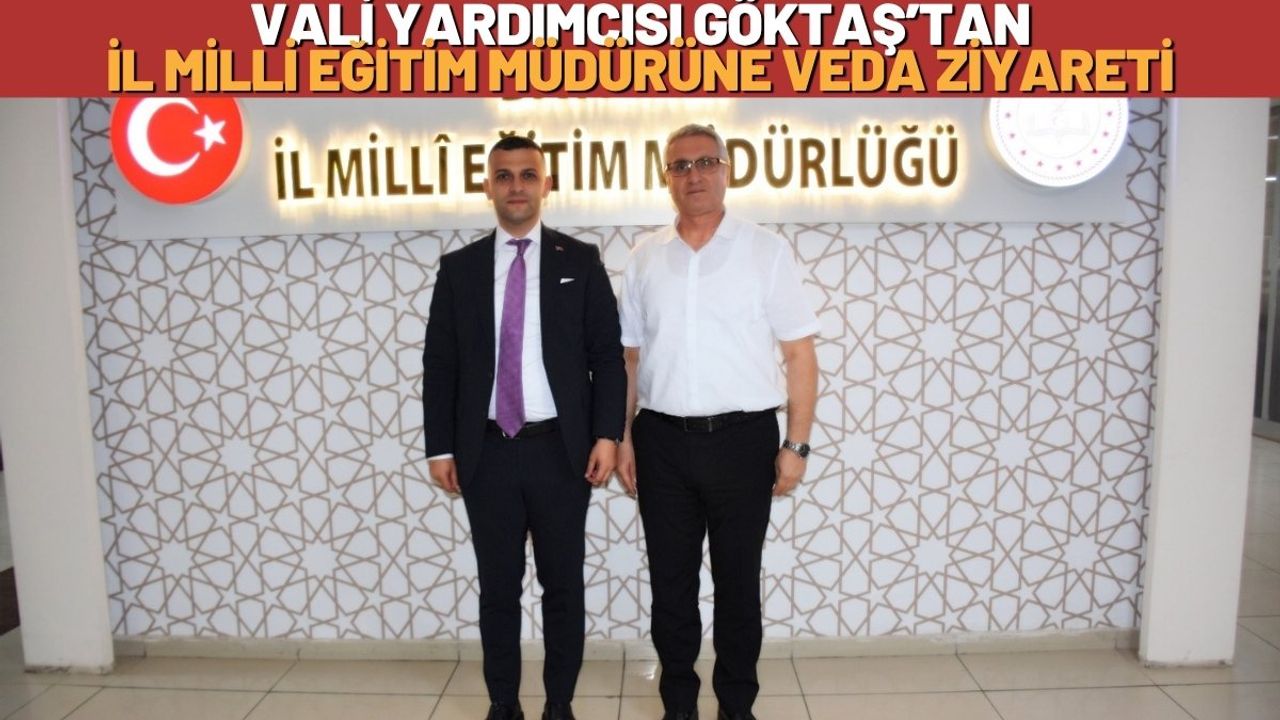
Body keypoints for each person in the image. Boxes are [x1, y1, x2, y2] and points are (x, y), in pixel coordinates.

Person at [616, 125, 820, 720]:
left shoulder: (765, 250)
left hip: (743, 442)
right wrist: (623, 437)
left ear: (726, 169)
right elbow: (629, 359)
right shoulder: (644, 256)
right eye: (680, 166)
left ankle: (736, 706)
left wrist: (797, 444)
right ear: (666, 178)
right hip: (661, 442)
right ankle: (678, 705)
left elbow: (799, 354)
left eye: (705, 162)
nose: (694, 175)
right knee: (671, 588)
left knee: (737, 586)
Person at [423, 135, 626, 720]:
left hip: (561, 452)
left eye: (528, 174)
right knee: (498, 589)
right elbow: (441, 365)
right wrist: (440, 447)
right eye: (505, 175)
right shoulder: (459, 269)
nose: (517, 186)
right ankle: (503, 702)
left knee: (562, 587)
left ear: (546, 185)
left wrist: (608, 436)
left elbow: (607, 356)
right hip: (484, 452)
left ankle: (559, 703)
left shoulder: (579, 260)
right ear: (488, 186)